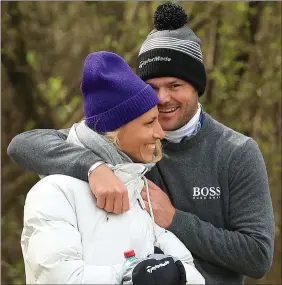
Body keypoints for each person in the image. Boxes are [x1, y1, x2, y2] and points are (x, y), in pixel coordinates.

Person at [8, 3, 274, 285]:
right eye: (152, 87)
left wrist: (174, 219)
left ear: (196, 87)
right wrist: (93, 167)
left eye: (175, 86)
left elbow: (257, 256)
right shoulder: (124, 143)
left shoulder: (237, 152)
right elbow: (24, 144)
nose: (162, 99)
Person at [19, 51, 205, 284]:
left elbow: (190, 273)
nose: (160, 133)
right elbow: (59, 278)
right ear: (113, 131)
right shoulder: (54, 192)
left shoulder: (138, 187)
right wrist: (134, 276)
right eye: (149, 123)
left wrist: (171, 275)